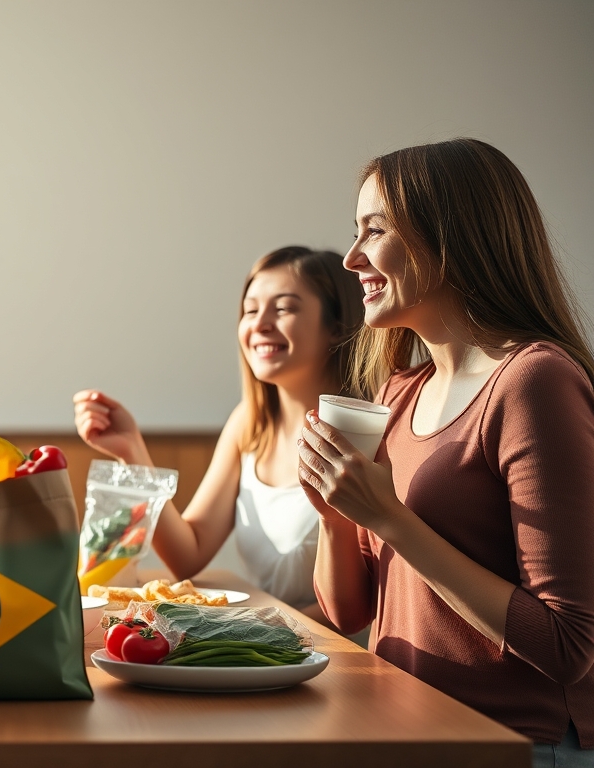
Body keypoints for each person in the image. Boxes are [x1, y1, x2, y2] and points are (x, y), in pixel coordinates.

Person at [300, 138, 594, 763]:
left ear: (450, 238)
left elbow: (568, 645)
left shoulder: (533, 380)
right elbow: (350, 611)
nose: (352, 258)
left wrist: (388, 519)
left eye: (373, 230)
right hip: (403, 735)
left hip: (512, 747)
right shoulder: (399, 391)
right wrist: (334, 515)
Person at [73, 246, 363, 622]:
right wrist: (131, 450)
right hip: (266, 652)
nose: (259, 324)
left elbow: (364, 606)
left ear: (336, 326)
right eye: (250, 310)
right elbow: (187, 555)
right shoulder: (248, 425)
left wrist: (252, 627)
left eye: (284, 308)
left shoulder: (361, 434)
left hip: (337, 659)